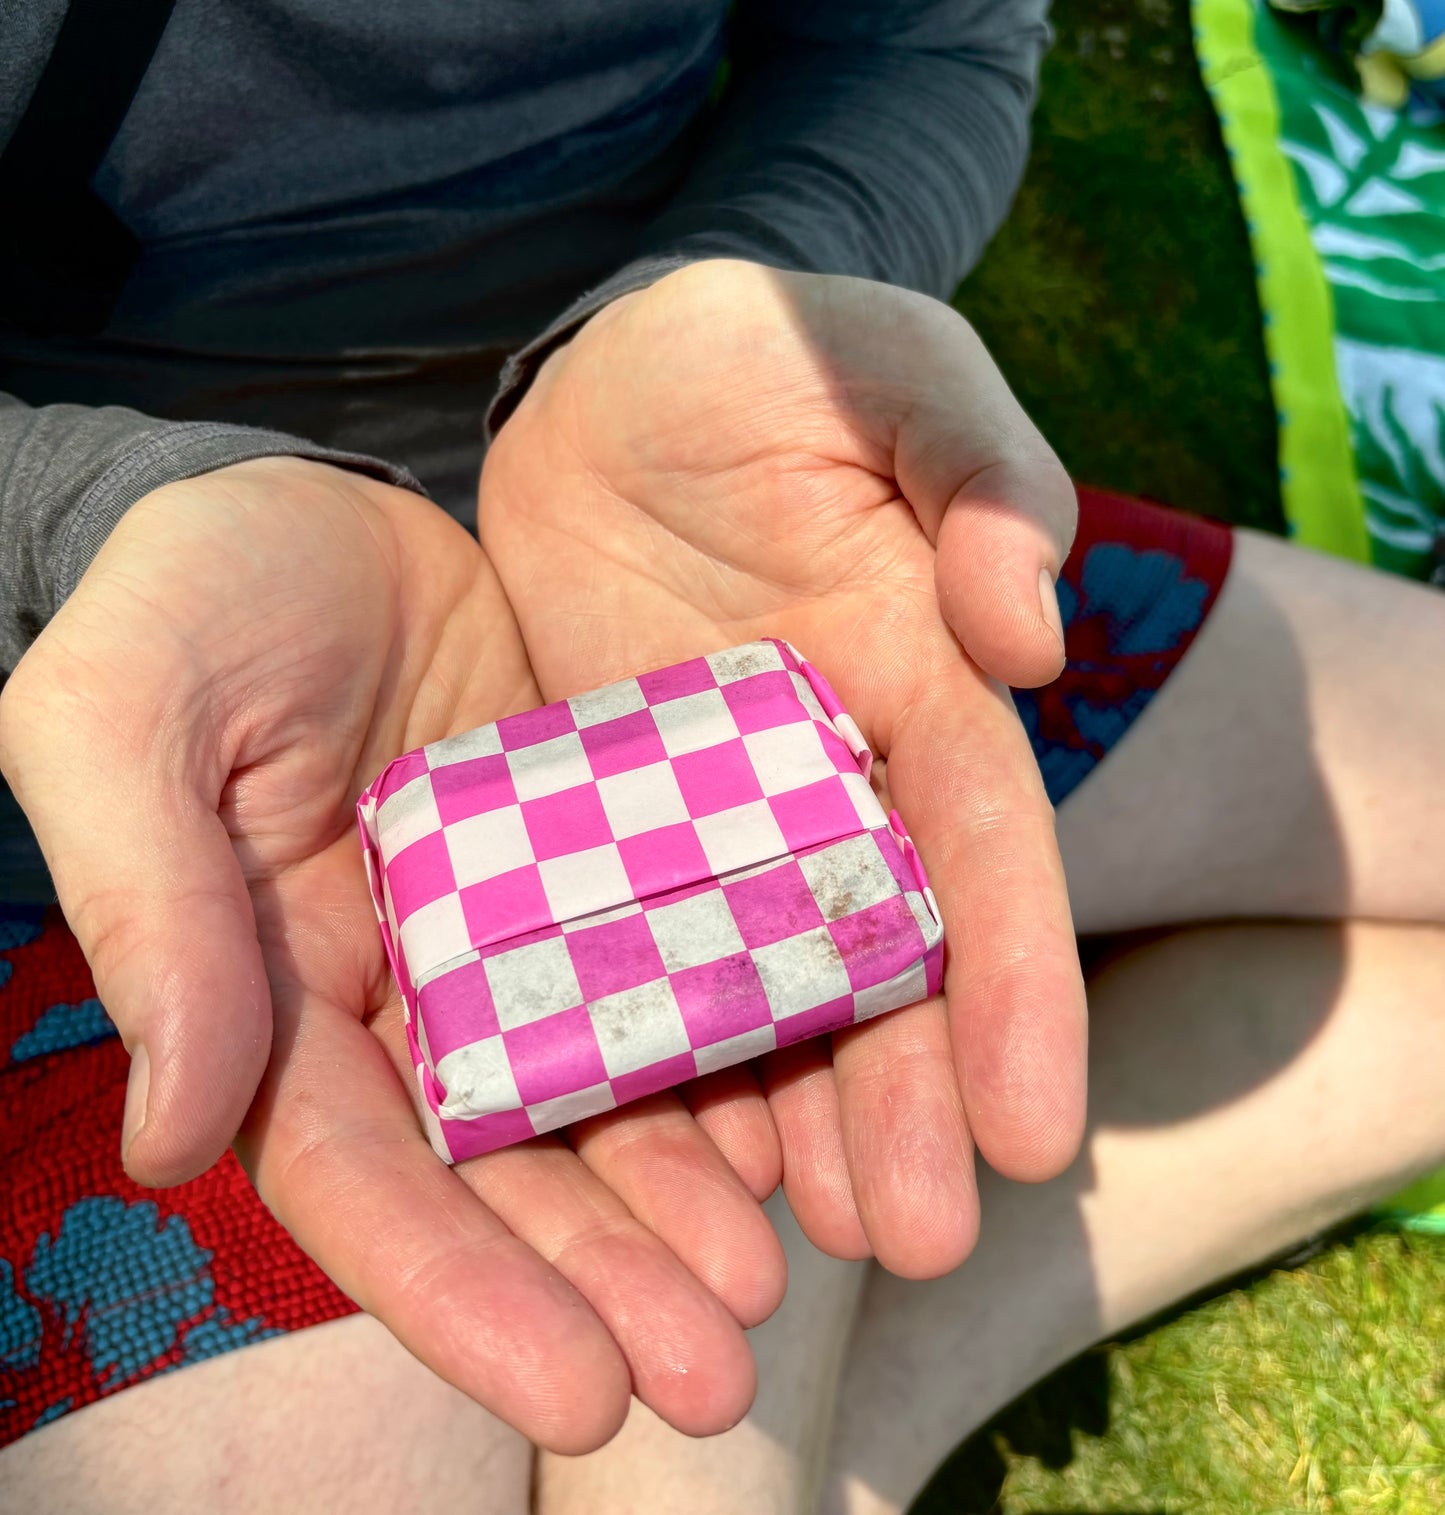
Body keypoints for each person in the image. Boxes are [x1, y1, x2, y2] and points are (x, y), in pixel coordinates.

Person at [3, 10, 1443, 1515]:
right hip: (190, 736)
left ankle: (861, 1442)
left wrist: (730, 292)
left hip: (692, 536)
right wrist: (76, 521)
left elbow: (928, 34)